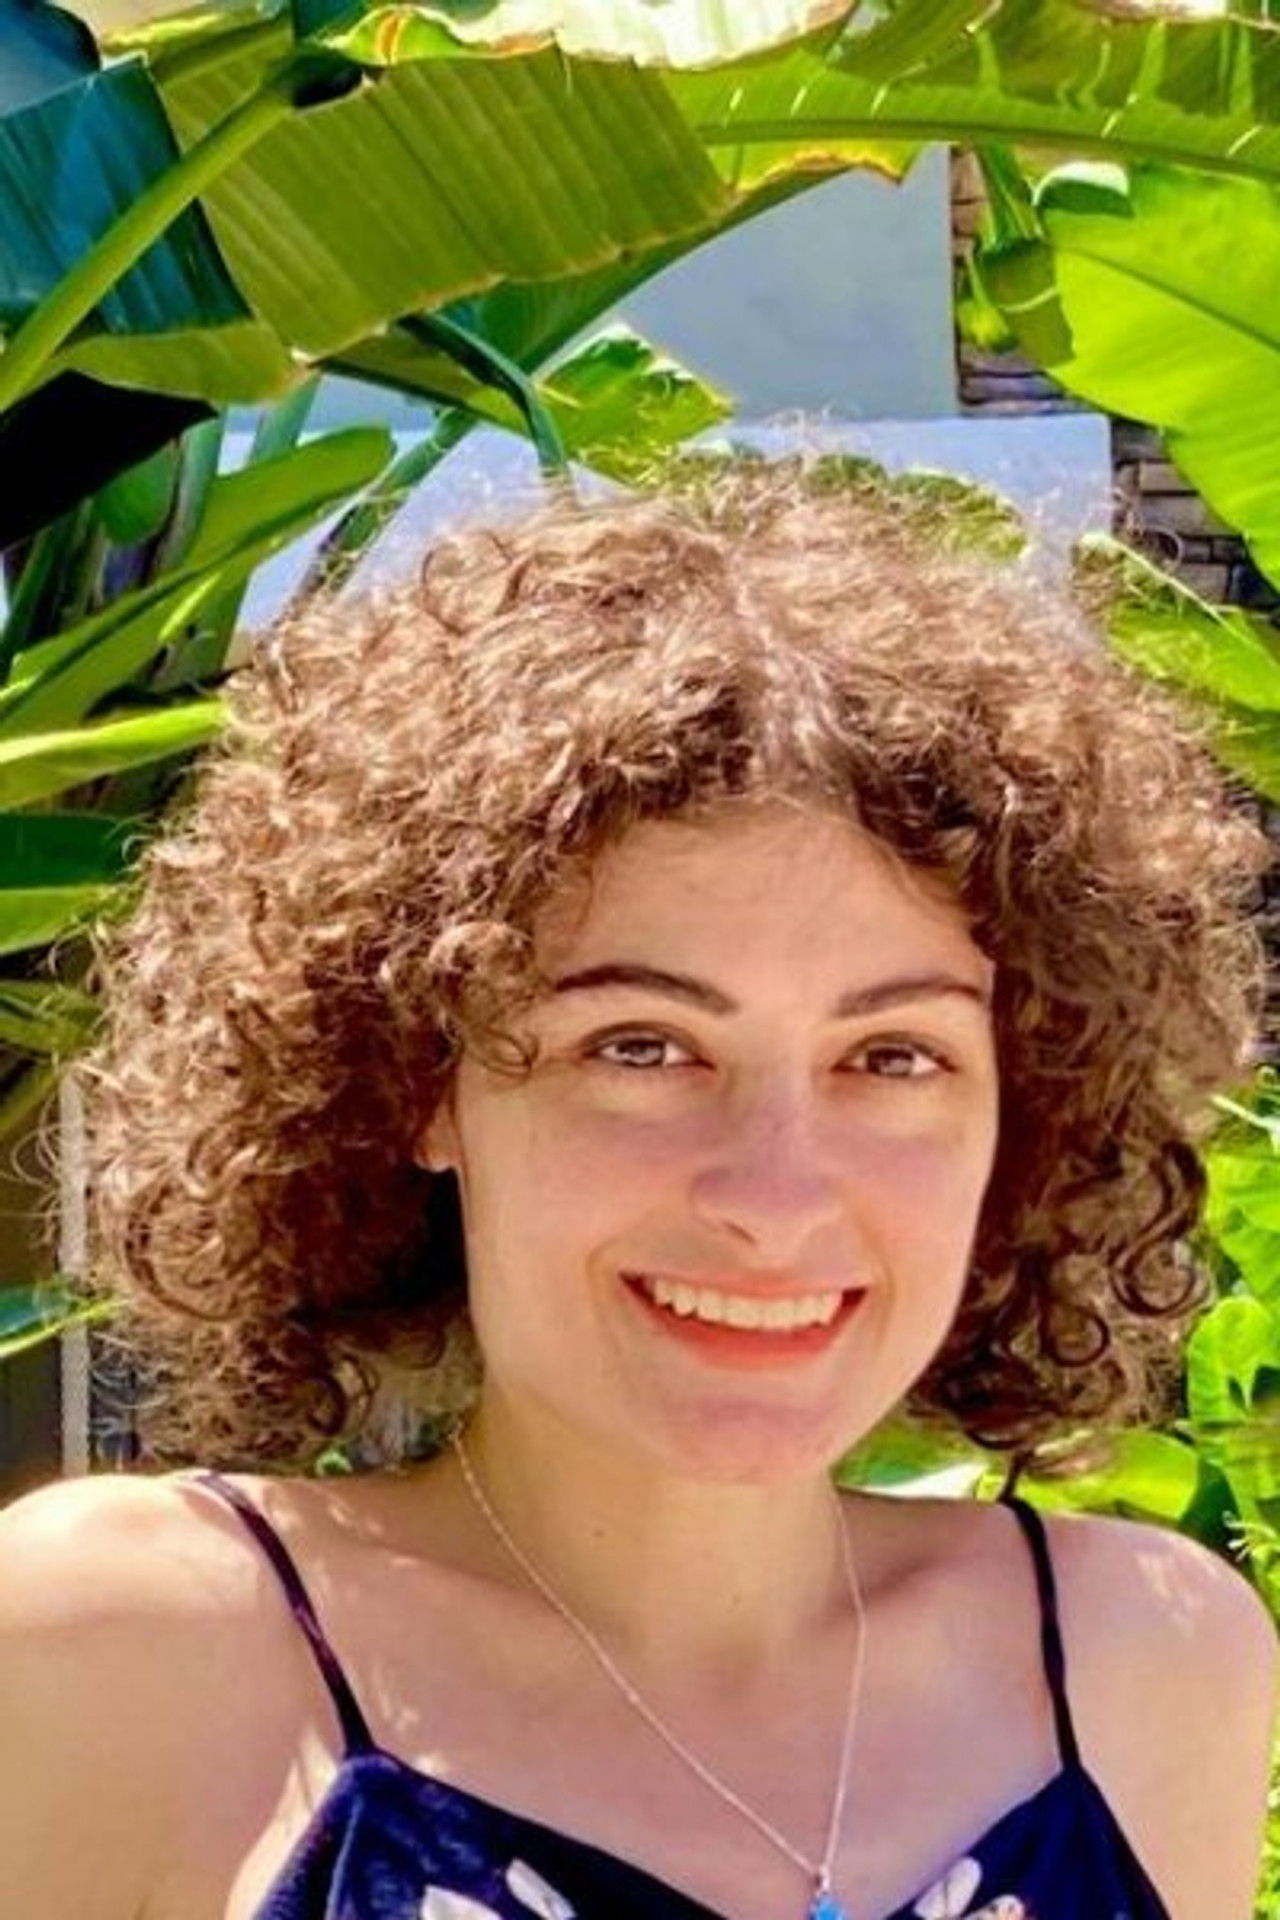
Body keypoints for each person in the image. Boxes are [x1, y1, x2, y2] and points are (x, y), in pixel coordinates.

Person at [1, 471, 1277, 1920]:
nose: (775, 1195)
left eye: (892, 1056)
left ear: (1024, 1110)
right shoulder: (132, 1649)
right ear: (419, 1082)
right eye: (642, 1047)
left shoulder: (1143, 1659)